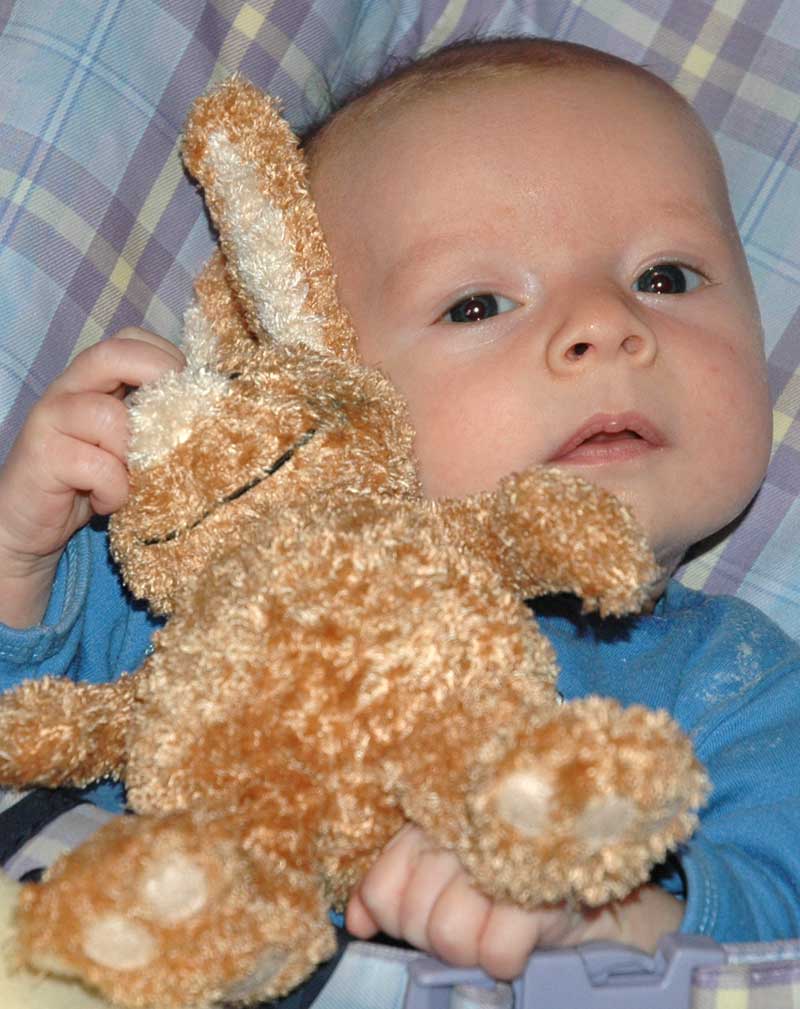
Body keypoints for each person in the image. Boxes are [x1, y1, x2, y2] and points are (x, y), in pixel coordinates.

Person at [0, 36, 798, 993]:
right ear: (325, 379)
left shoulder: (738, 682)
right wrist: (19, 558)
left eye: (664, 278)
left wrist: (606, 915)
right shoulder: (218, 592)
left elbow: (778, 921)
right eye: (478, 303)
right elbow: (27, 725)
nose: (605, 325)